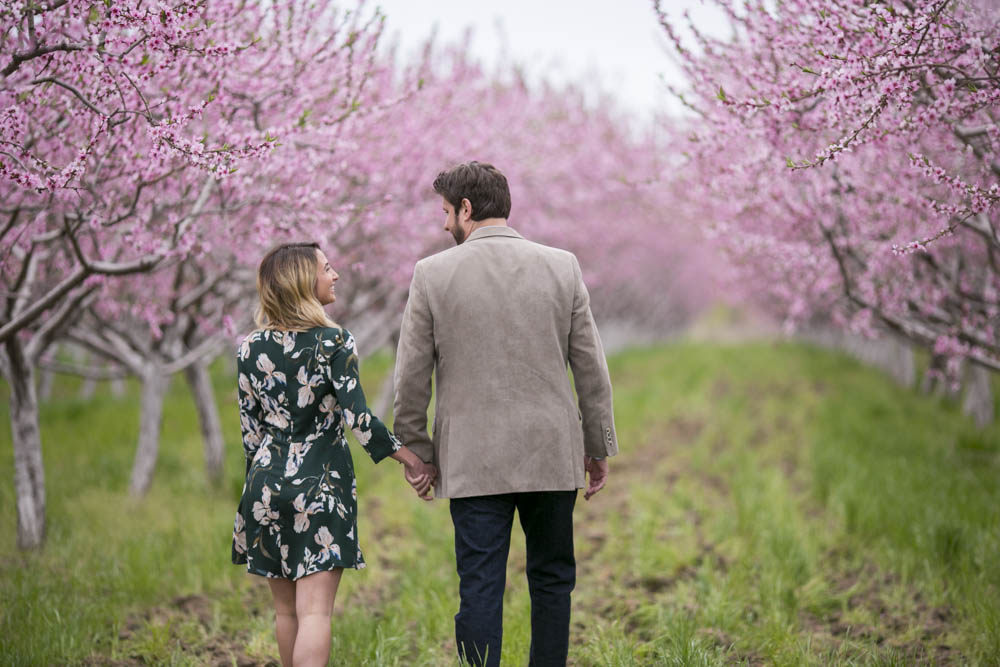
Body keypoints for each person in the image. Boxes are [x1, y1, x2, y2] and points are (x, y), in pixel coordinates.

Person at [393, 162, 618, 666]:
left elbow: (411, 375)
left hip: (473, 459)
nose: (442, 224)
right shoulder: (563, 266)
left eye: (446, 213)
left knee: (479, 586)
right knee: (553, 580)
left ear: (466, 210)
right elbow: (590, 368)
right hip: (550, 452)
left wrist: (417, 451)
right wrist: (597, 446)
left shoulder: (431, 274)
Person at [231, 242, 436, 667]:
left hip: (265, 487)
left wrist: (263, 491)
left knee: (285, 612)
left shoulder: (249, 349)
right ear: (304, 281)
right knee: (315, 613)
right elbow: (359, 420)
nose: (335, 275)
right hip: (320, 488)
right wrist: (413, 459)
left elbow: (251, 434)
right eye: (327, 268)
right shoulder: (334, 341)